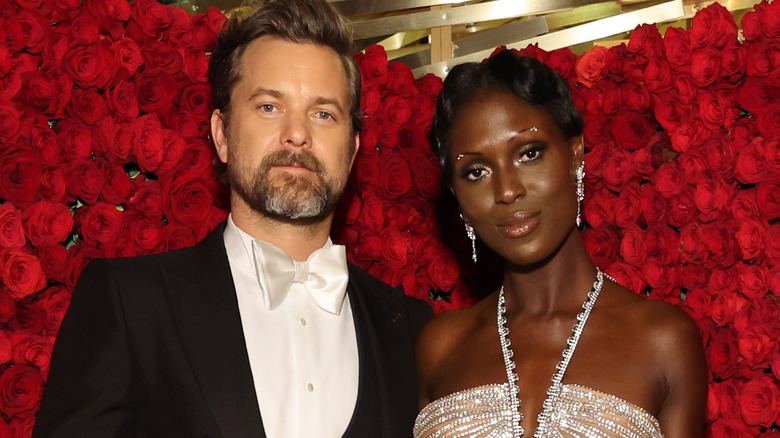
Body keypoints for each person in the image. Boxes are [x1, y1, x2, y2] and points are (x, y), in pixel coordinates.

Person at [33, 1, 432, 437]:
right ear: (222, 134)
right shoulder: (129, 303)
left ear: (353, 150)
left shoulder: (411, 329)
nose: (297, 133)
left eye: (323, 113)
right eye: (268, 107)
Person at [413, 50, 707, 437]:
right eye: (476, 171)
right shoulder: (440, 346)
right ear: (456, 195)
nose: (507, 191)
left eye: (528, 154)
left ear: (574, 154)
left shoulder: (663, 340)